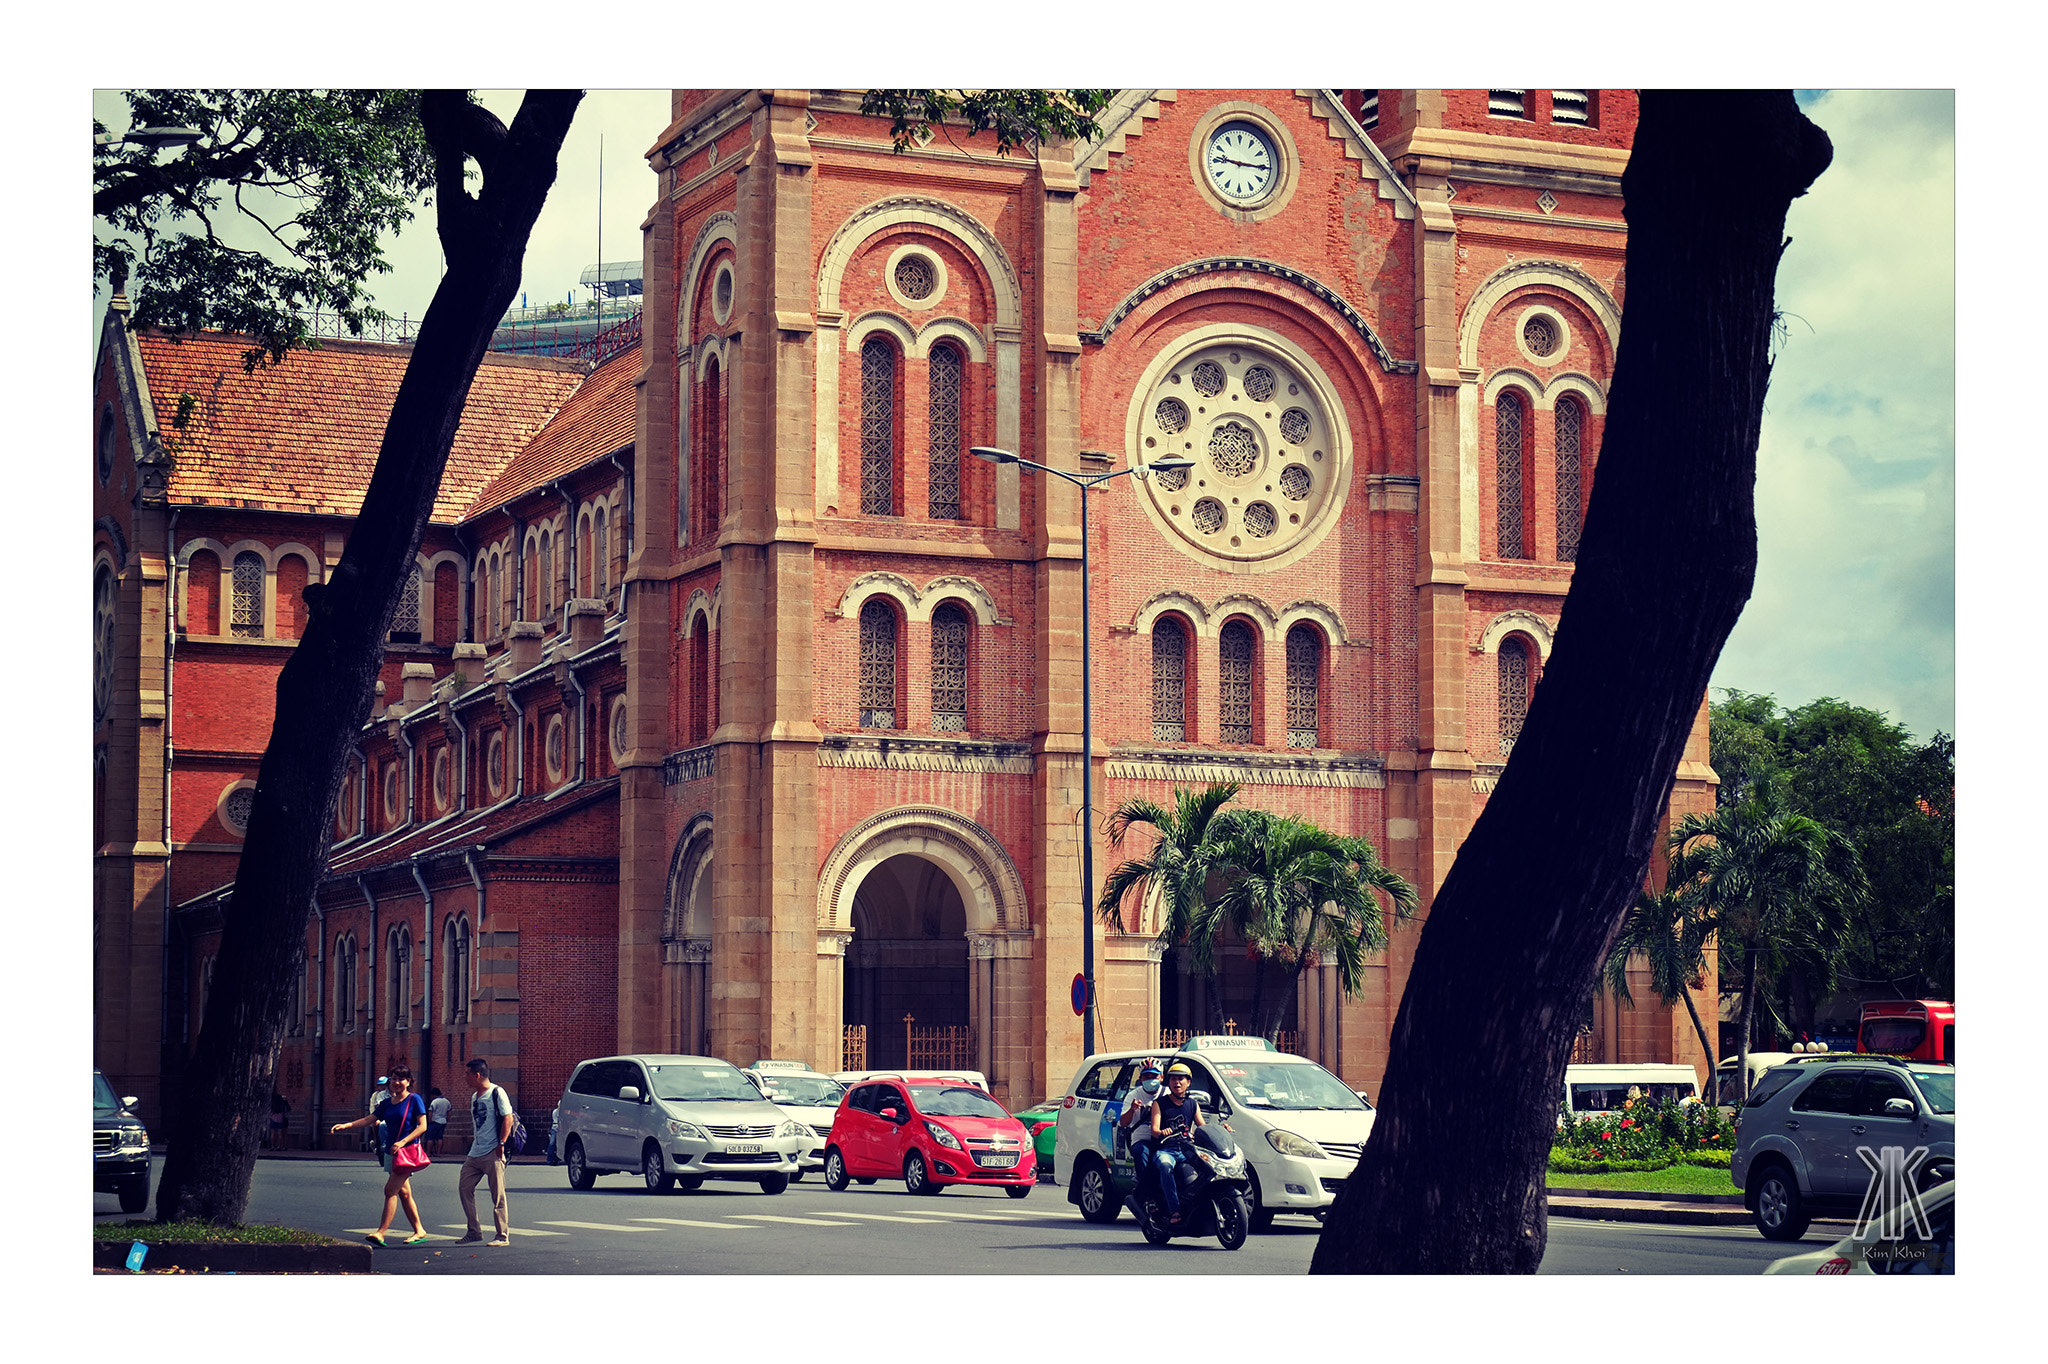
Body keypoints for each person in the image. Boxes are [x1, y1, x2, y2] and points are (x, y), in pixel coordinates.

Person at [329, 1064, 430, 1247]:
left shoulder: (414, 1100)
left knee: (390, 1191)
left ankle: (381, 1232)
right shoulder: (385, 1103)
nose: (397, 1082)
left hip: (406, 1152)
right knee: (404, 1193)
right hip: (391, 1152)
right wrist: (347, 1125)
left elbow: (423, 1126)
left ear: (409, 1082)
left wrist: (403, 1141)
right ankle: (419, 1230)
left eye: (401, 1079)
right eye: (394, 1078)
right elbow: (370, 1119)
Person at [457, 1058, 516, 1247]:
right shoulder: (475, 1097)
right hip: (475, 1152)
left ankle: (502, 1236)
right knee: (464, 1187)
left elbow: (508, 1118)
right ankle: (474, 1231)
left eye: (467, 1074)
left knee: (497, 1195)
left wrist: (501, 1143)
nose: (465, 1078)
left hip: (493, 1151)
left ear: (477, 1075)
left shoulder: (497, 1092)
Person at [1149, 1061, 1206, 1225]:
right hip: (1166, 1150)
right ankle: (1174, 1210)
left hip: (1188, 1149)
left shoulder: (1192, 1104)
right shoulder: (1159, 1103)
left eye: (1181, 1079)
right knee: (1165, 1167)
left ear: (1188, 1082)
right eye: (1173, 1079)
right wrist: (1162, 1132)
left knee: (1207, 1168)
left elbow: (1202, 1126)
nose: (1177, 1082)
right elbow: (1154, 1129)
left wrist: (1220, 1128)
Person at [1119, 1059, 1166, 1186]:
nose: (1151, 1080)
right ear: (1140, 1078)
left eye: (1154, 1076)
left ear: (1161, 1077)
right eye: (1147, 1076)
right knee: (1141, 1153)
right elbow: (1123, 1122)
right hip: (1142, 1139)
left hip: (1165, 1139)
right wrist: (1132, 1109)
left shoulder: (1168, 1093)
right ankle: (1146, 1194)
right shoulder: (1133, 1095)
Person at [367, 1076, 391, 1169]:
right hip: (379, 1115)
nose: (382, 1087)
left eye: (384, 1085)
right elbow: (376, 1107)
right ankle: (377, 1141)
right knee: (377, 1123)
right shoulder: (377, 1095)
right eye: (380, 1085)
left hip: (391, 1117)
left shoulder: (396, 1093)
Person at [424, 1087, 450, 1155]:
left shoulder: (434, 1102)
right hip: (443, 1121)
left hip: (434, 1121)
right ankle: (438, 1153)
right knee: (440, 1138)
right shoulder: (446, 1101)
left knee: (430, 1138)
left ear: (433, 1095)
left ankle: (428, 1152)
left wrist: (429, 1120)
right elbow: (449, 1111)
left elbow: (430, 1112)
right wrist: (447, 1119)